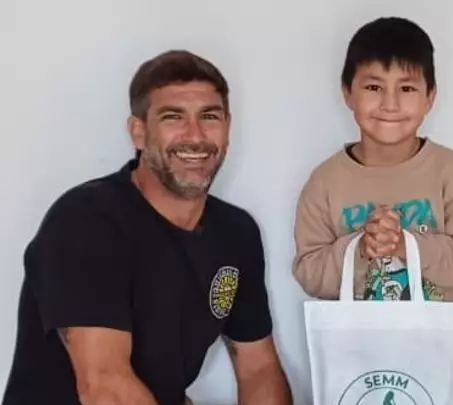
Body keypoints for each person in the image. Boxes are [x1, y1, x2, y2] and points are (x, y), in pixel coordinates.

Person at [2, 50, 292, 405]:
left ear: (228, 127)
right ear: (138, 132)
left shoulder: (237, 232)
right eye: (173, 117)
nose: (196, 136)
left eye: (209, 116)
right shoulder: (85, 220)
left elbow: (258, 369)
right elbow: (106, 387)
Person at [292, 17, 453, 405]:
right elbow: (309, 273)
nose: (390, 103)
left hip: (438, 352)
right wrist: (361, 248)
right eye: (373, 87)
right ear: (347, 93)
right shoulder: (324, 182)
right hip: (356, 354)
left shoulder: (451, 172)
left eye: (407, 88)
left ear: (430, 97)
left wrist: (406, 244)